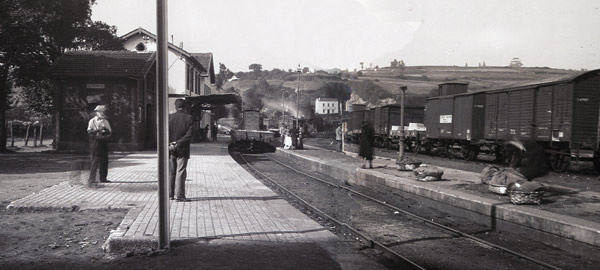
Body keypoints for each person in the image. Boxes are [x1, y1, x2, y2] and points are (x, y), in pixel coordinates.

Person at [169, 99, 193, 202]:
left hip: (171, 149)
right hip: (182, 149)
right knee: (180, 172)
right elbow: (189, 134)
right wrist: (178, 143)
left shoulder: (169, 118)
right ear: (185, 107)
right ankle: (180, 196)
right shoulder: (189, 118)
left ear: (175, 106)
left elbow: (164, 132)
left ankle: (170, 195)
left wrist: (171, 143)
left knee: (171, 172)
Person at [87, 105, 112, 183]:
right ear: (97, 112)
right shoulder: (92, 121)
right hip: (95, 142)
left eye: (103, 112)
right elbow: (89, 132)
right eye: (100, 111)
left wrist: (105, 132)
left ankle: (103, 178)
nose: (102, 113)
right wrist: (98, 130)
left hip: (103, 142)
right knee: (95, 161)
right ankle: (91, 179)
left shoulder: (105, 121)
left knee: (104, 161)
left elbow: (110, 132)